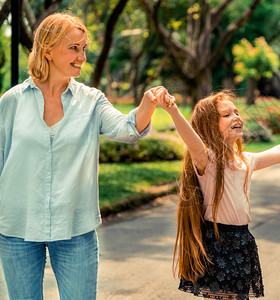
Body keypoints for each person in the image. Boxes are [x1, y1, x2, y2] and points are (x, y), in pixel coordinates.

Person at [0, 12, 167, 299]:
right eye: (74, 48)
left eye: (84, 48)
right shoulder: (12, 100)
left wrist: (147, 105)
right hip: (17, 225)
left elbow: (127, 129)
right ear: (48, 50)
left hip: (74, 226)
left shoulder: (92, 101)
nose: (83, 56)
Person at [155, 90, 280, 299]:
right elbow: (192, 141)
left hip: (242, 240)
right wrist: (173, 110)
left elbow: (278, 153)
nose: (236, 117)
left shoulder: (244, 160)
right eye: (226, 115)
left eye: (236, 112)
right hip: (218, 242)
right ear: (209, 125)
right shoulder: (208, 160)